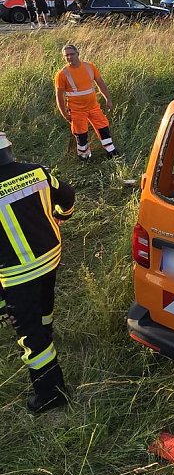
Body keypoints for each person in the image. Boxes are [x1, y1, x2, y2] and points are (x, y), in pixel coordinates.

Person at [0, 131, 74, 414]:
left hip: (17, 274)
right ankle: (46, 331)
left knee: (30, 336)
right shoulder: (37, 173)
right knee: (44, 307)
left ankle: (50, 393)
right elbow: (67, 196)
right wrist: (61, 216)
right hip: (51, 257)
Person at [54, 44, 119, 161]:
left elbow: (100, 83)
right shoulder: (62, 74)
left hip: (94, 107)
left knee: (103, 128)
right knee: (81, 135)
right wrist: (64, 113)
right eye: (66, 55)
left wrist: (108, 99)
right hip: (76, 110)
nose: (69, 57)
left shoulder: (90, 67)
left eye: (72, 54)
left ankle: (112, 153)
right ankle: (84, 157)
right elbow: (59, 95)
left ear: (78, 54)